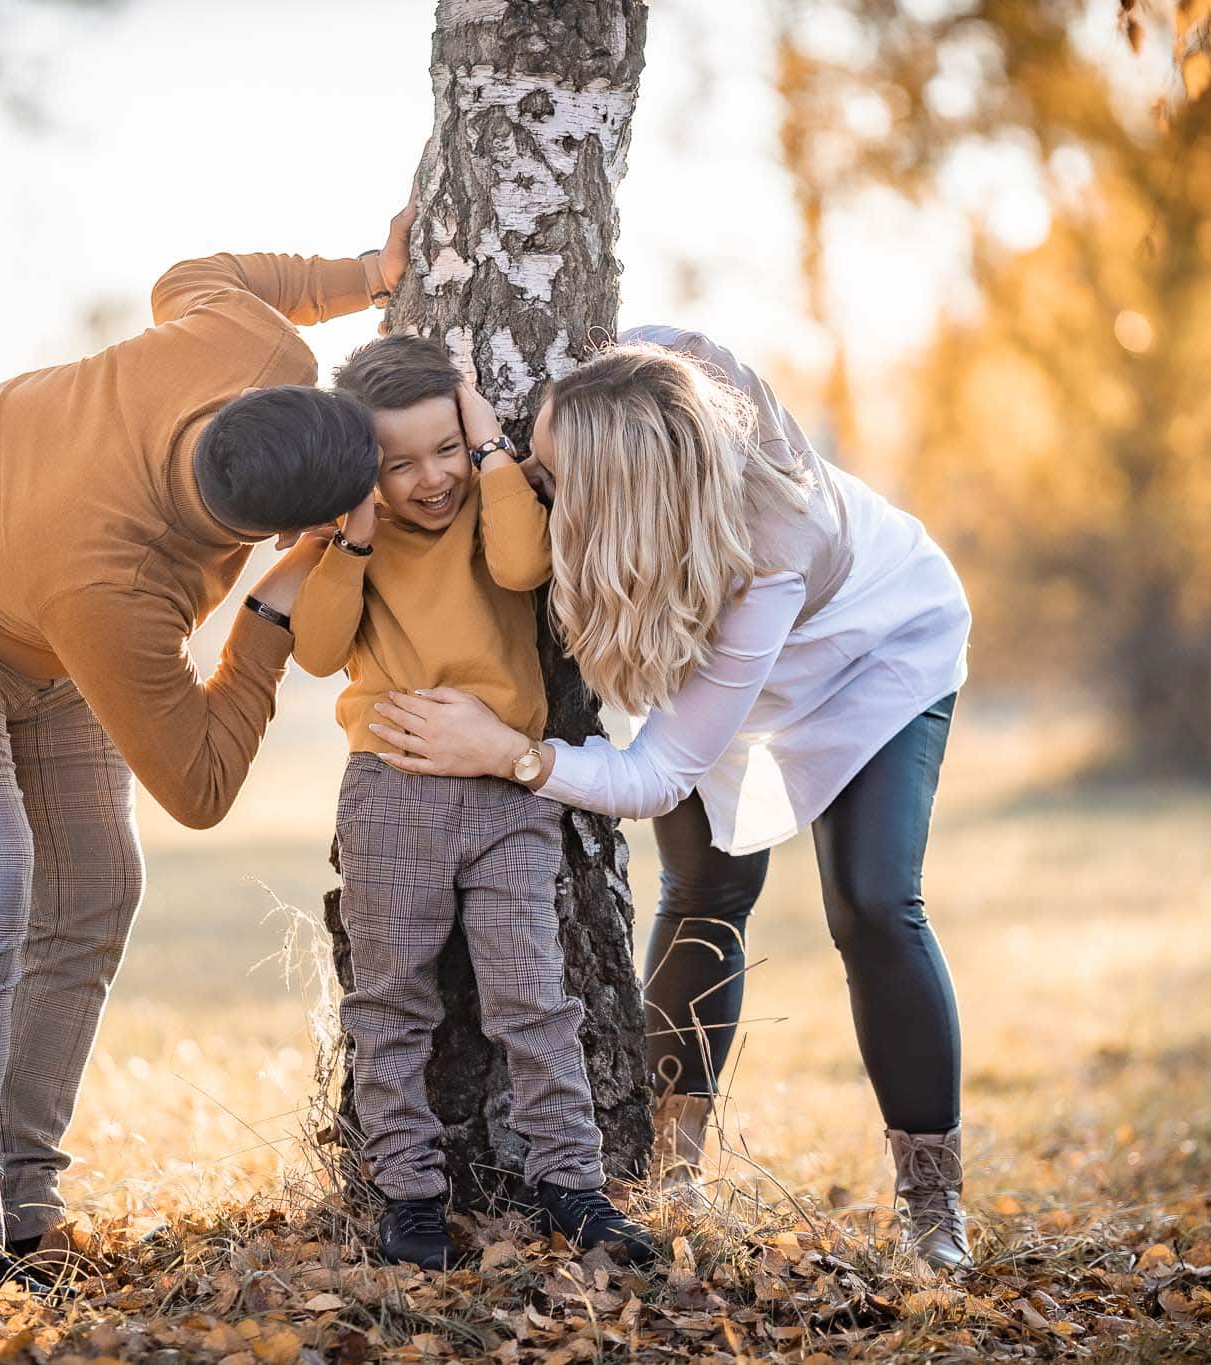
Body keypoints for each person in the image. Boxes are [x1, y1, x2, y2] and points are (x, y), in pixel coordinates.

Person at [0, 205, 414, 1295]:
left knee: (93, 886)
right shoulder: (114, 590)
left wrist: (367, 272)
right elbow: (202, 785)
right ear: (282, 535)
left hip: (21, 581)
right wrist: (269, 620)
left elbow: (198, 268)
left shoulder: (252, 340)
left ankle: (25, 1207)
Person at [364, 326, 976, 1268]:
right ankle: (674, 1167)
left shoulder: (774, 551)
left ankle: (935, 1209)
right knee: (703, 890)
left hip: (872, 649)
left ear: (619, 500)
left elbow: (652, 778)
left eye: (552, 472)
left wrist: (513, 755)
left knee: (872, 903)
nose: (532, 472)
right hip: (708, 639)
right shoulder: (646, 370)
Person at [290, 335, 655, 1269]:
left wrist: (491, 445)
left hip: (506, 795)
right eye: (396, 463)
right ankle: (409, 1195)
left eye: (444, 448)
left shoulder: (495, 502)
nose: (428, 479)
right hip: (394, 796)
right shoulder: (353, 539)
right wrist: (353, 535)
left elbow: (527, 567)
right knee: (393, 1005)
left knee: (533, 997)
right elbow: (320, 649)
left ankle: (574, 1186)